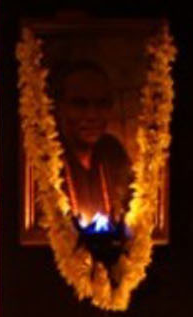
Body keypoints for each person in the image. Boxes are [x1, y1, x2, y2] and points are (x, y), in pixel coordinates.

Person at [51, 61, 133, 232]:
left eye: (101, 104)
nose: (92, 115)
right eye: (80, 104)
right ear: (60, 107)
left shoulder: (113, 152)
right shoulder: (45, 156)